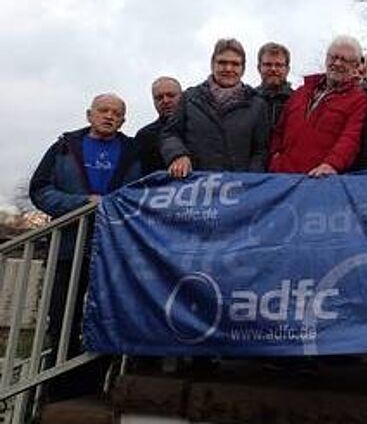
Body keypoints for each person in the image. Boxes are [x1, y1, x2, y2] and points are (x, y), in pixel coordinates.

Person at [29, 93, 140, 400]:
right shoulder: (64, 147)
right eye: (103, 110)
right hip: (68, 246)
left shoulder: (134, 151)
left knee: (108, 317)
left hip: (114, 251)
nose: (109, 116)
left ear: (123, 120)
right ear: (89, 114)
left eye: (116, 113)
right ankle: (57, 391)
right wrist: (81, 203)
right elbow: (39, 189)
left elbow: (144, 193)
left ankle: (94, 387)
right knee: (63, 318)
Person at [161, 38, 270, 178]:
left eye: (235, 64)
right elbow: (170, 134)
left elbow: (261, 151)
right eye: (222, 63)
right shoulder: (189, 98)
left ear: (243, 69)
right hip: (196, 183)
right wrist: (178, 155)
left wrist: (250, 179)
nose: (228, 69)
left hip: (239, 186)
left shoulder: (257, 104)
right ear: (212, 64)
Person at [269, 35, 367, 176]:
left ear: (355, 66)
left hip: (319, 179)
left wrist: (332, 164)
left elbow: (351, 137)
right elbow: (279, 130)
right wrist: (275, 157)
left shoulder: (360, 101)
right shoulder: (301, 92)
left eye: (344, 60)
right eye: (333, 57)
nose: (337, 63)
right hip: (282, 176)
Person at [134, 77, 182, 175]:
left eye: (171, 95)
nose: (165, 101)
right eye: (159, 98)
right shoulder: (144, 136)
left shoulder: (198, 128)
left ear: (182, 96)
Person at [255, 42, 293, 129]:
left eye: (279, 65)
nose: (273, 69)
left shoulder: (297, 102)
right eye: (268, 64)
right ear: (259, 68)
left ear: (287, 69)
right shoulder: (248, 101)